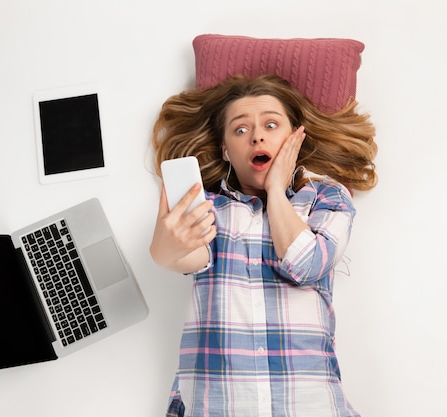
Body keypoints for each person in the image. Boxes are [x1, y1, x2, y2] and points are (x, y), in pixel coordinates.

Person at [149, 74, 377, 417]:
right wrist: (165, 246)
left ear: (293, 139)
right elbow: (184, 257)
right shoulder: (209, 207)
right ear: (226, 150)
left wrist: (275, 190)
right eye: (240, 130)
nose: (256, 135)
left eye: (271, 125)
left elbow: (307, 264)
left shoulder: (325, 198)